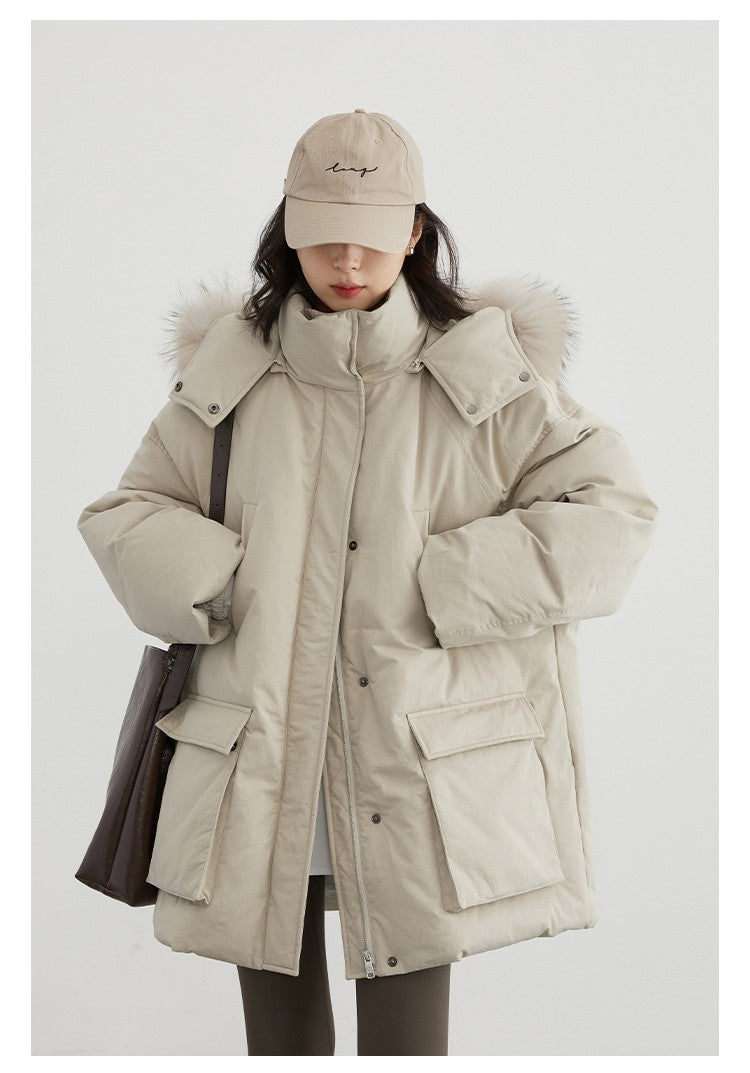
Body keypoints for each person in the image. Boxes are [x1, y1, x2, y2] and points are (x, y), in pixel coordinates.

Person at [76, 109, 660, 1056]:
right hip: (263, 752)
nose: (347, 261)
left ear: (416, 233)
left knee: (407, 1038)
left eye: (373, 237)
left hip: (416, 756)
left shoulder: (485, 374)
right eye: (322, 236)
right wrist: (220, 581)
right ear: (287, 231)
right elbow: (128, 510)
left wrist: (445, 583)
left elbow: (614, 513)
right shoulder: (234, 371)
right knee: (279, 1033)